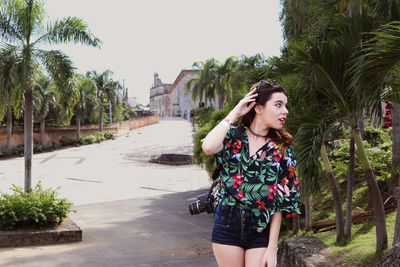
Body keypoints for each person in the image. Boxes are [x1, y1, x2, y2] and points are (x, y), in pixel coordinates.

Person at [202, 80, 301, 267]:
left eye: (285, 106)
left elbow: (281, 203)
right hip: (227, 225)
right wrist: (235, 112)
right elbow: (208, 146)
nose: (285, 111)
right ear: (259, 108)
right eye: (278, 105)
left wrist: (272, 248)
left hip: (260, 229)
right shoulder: (232, 136)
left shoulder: (282, 149)